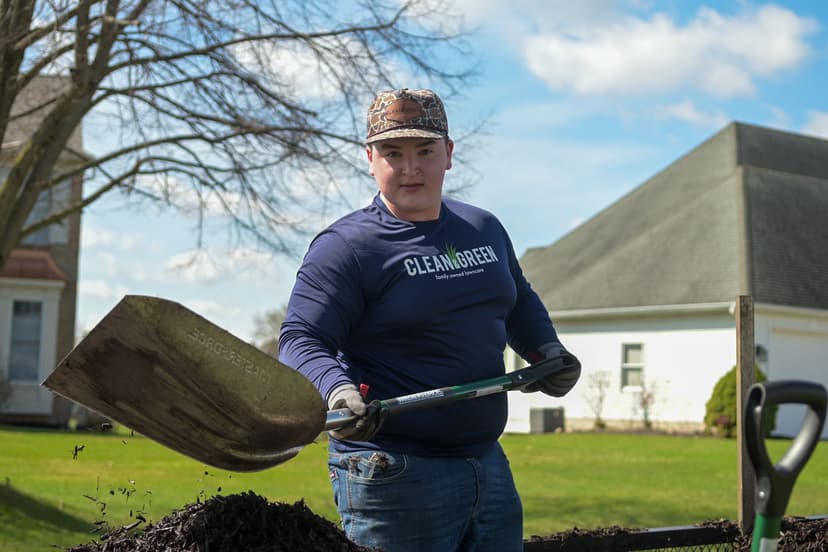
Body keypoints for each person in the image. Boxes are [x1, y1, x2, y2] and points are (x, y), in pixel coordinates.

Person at [279, 88, 580, 552]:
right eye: (392, 153)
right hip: (393, 470)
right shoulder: (347, 247)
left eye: (425, 151)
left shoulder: (483, 228)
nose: (410, 168)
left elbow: (517, 300)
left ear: (449, 154)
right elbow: (301, 338)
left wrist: (547, 351)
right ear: (370, 158)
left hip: (488, 464)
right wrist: (338, 393)